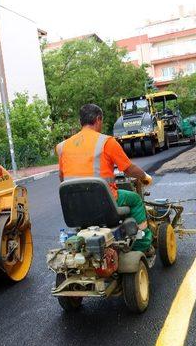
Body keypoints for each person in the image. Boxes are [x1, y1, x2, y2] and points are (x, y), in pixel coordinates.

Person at [57, 104, 154, 255]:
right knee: (135, 199)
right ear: (98, 119)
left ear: (80, 122)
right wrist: (145, 177)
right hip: (105, 204)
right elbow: (128, 168)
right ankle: (142, 244)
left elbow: (62, 178)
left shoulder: (62, 146)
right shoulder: (106, 142)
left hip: (75, 208)